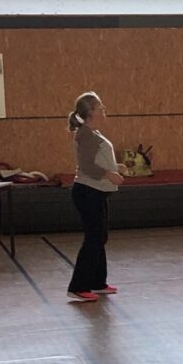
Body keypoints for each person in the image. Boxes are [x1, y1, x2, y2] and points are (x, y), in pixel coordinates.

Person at [65, 91, 125, 302]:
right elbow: (87, 166)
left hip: (96, 192)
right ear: (90, 111)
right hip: (88, 192)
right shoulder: (86, 135)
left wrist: (116, 167)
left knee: (100, 237)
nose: (103, 110)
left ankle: (97, 282)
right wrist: (109, 174)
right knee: (93, 238)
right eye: (100, 107)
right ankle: (78, 286)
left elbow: (97, 161)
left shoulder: (93, 133)